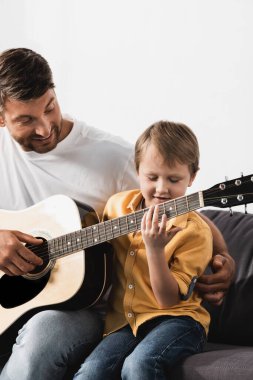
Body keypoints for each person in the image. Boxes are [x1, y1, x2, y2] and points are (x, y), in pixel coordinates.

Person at [0, 48, 234, 380]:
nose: (44, 128)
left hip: (83, 306)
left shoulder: (112, 156)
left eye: (49, 108)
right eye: (26, 120)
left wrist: (223, 254)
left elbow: (177, 212)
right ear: (1, 118)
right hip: (12, 295)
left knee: (42, 338)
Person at [73, 121, 213, 379]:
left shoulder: (195, 232)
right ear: (137, 170)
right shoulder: (116, 207)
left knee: (139, 364)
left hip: (178, 321)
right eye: (152, 177)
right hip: (125, 322)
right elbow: (91, 248)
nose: (161, 189)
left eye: (174, 179)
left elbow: (168, 301)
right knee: (90, 372)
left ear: (192, 177)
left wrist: (155, 250)